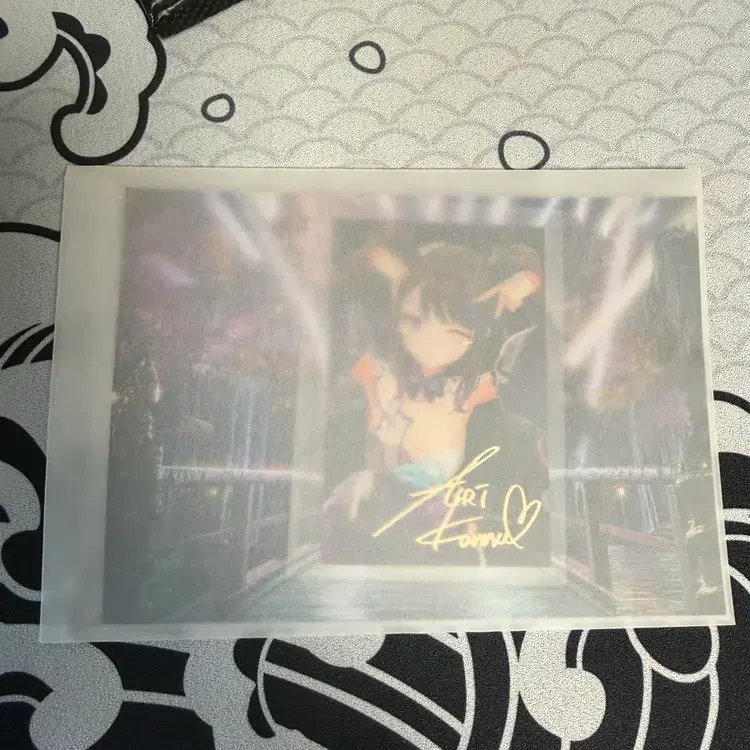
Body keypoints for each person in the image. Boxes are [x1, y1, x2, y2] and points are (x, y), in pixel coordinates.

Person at [324, 241, 548, 565]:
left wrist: (529, 282)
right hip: (377, 502)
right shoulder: (381, 373)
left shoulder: (462, 390)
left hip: (439, 509)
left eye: (452, 331)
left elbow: (526, 357)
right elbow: (363, 262)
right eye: (413, 322)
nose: (430, 340)